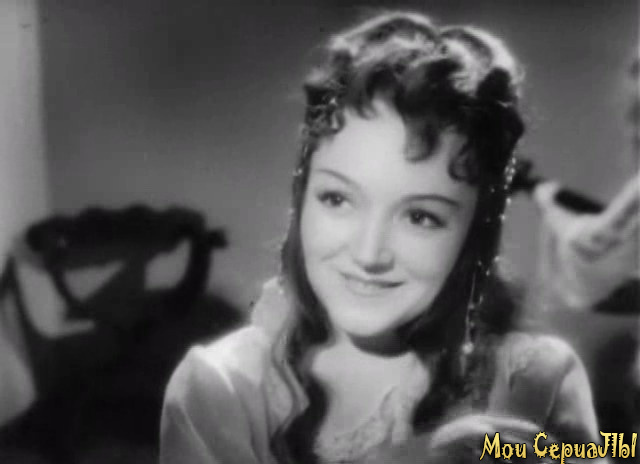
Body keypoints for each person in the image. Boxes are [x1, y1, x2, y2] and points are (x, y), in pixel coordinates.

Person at [160, 11, 602, 464]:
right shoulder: (222, 388)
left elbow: (621, 449)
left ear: (475, 231)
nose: (368, 254)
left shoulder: (537, 377)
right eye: (337, 199)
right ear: (302, 197)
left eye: (421, 217)